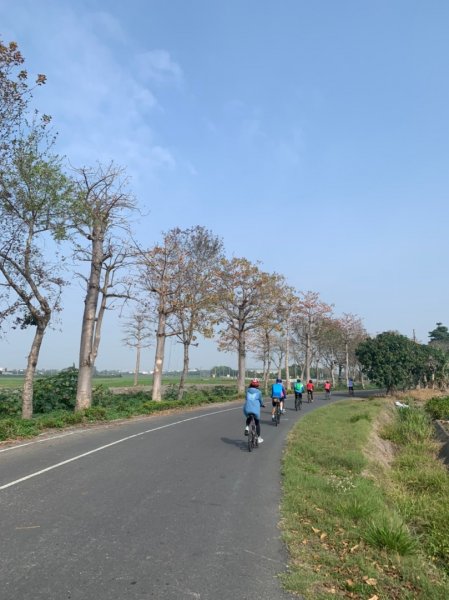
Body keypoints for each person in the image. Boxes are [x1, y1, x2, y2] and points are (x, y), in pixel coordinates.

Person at [243, 378, 265, 443]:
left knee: (249, 417)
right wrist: (262, 405)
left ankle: (247, 427)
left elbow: (246, 398)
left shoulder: (247, 391)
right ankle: (258, 438)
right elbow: (261, 401)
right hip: (255, 410)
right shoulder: (259, 392)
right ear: (257, 385)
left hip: (247, 409)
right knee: (257, 423)